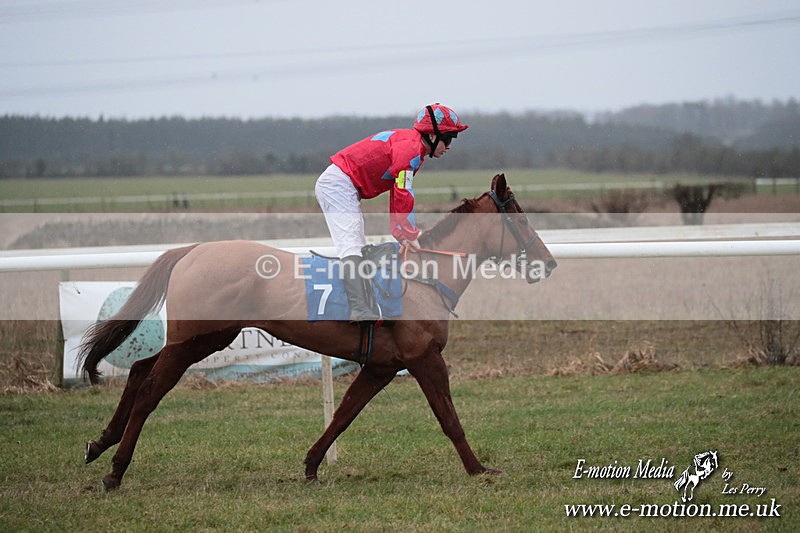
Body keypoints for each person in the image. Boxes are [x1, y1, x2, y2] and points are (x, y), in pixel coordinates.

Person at [315, 103, 469, 321]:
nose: (450, 145)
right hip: (338, 184)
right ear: (433, 136)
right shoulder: (410, 150)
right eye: (449, 138)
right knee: (351, 245)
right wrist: (409, 233)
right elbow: (403, 193)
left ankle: (365, 303)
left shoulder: (414, 148)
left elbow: (398, 194)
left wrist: (403, 233)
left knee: (358, 246)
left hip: (345, 185)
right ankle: (358, 309)